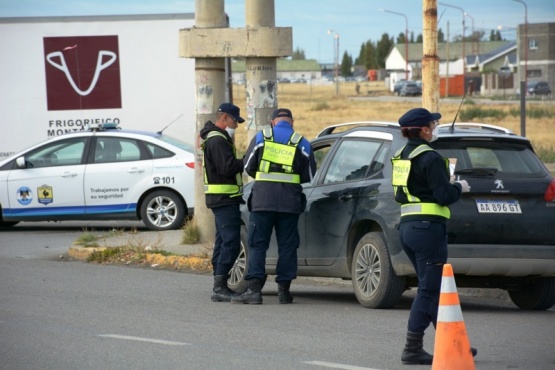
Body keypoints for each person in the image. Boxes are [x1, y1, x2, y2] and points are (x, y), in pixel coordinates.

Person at [391, 108, 475, 365]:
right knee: (429, 290)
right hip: (428, 230)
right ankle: (412, 347)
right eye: (433, 123)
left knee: (434, 288)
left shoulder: (400, 156)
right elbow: (443, 196)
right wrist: (458, 187)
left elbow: (399, 193)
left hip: (408, 228)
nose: (436, 126)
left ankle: (452, 343)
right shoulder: (431, 158)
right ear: (424, 130)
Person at [231, 108, 316, 305]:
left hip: (263, 201)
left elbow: (248, 166)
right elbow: (309, 175)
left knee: (258, 244)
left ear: (273, 122)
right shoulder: (302, 142)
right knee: (287, 245)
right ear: (292, 123)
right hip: (289, 202)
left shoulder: (262, 138)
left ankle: (254, 291)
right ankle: (284, 292)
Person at [200, 103, 245, 302]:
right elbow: (227, 168)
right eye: (235, 120)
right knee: (232, 243)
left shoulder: (217, 137)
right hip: (224, 199)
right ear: (225, 117)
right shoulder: (217, 140)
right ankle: (219, 285)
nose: (237, 124)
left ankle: (219, 283)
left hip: (223, 198)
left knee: (222, 241)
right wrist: (247, 161)